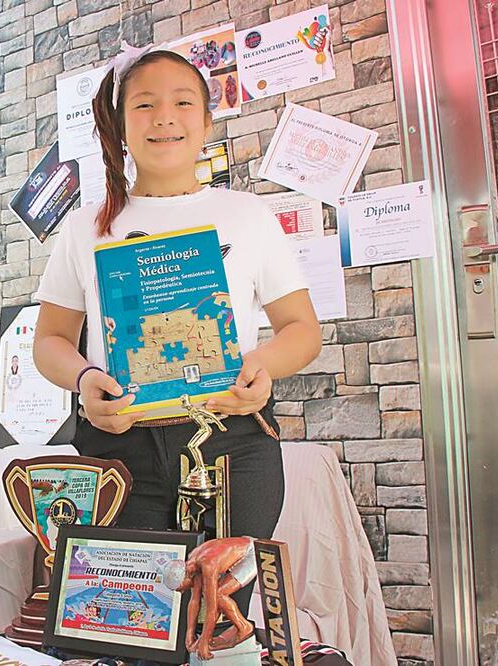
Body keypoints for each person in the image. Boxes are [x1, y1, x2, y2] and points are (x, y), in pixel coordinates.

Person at [32, 44, 321, 618]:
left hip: (231, 445)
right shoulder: (87, 227)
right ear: (119, 125)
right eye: (144, 105)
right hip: (118, 451)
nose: (165, 117)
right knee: (129, 621)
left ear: (207, 120)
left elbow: (301, 330)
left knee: (223, 620)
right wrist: (87, 378)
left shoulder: (247, 216)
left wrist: (261, 367)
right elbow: (49, 341)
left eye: (183, 102)